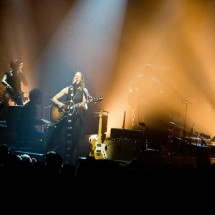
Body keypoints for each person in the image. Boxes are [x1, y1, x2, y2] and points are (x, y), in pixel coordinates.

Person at [51, 71, 92, 166]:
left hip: (76, 118)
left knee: (74, 140)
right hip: (65, 118)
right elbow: (54, 98)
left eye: (78, 76)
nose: (76, 77)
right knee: (62, 139)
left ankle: (71, 164)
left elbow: (85, 106)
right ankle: (59, 161)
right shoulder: (68, 89)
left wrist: (84, 106)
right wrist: (60, 104)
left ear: (81, 79)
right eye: (75, 76)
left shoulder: (84, 91)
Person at [17, 88, 50, 153]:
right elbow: (30, 121)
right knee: (44, 135)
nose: (41, 99)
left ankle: (36, 149)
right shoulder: (31, 106)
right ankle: (43, 153)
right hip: (25, 130)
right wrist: (43, 121)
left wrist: (42, 121)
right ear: (36, 97)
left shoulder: (30, 105)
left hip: (24, 129)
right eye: (40, 97)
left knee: (41, 133)